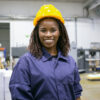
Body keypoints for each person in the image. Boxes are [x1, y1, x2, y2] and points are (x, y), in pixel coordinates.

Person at [9, 4, 82, 100]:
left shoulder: (70, 62)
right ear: (37, 33)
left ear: (60, 32)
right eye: (43, 30)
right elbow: (19, 96)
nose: (48, 34)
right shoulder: (26, 62)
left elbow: (76, 94)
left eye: (53, 30)